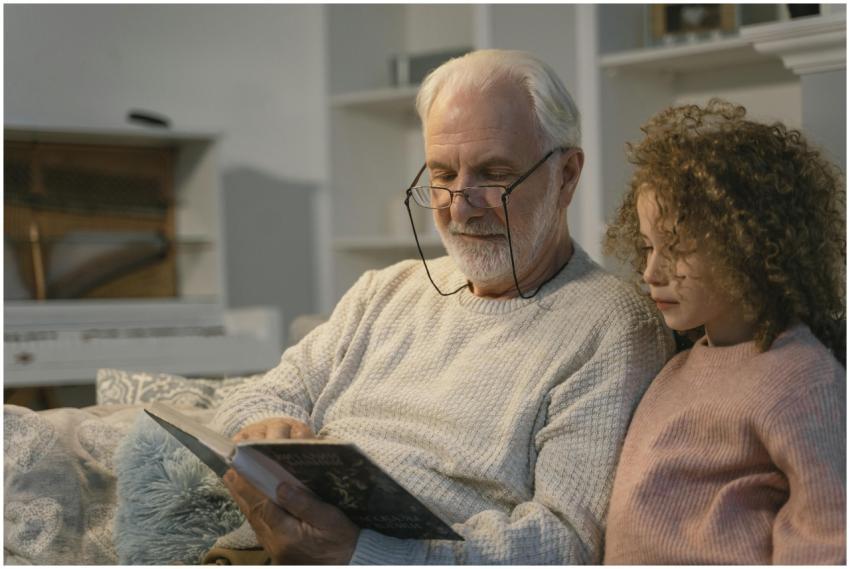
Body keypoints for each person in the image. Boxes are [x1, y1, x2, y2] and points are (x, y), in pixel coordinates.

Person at [214, 49, 673, 564]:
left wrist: (364, 556)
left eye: (493, 174)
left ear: (566, 175)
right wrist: (272, 424)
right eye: (442, 174)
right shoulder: (384, 290)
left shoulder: (613, 326)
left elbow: (565, 541)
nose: (459, 204)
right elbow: (261, 395)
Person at [603, 99, 846, 564]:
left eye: (675, 248)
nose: (650, 271)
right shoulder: (675, 367)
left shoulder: (801, 379)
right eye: (648, 246)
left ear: (748, 246)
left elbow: (829, 538)